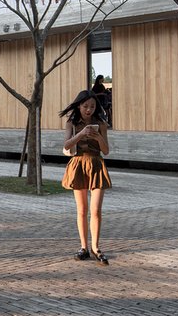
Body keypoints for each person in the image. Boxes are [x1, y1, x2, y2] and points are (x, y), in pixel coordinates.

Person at [59, 89, 112, 265]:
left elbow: (106, 151)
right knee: (82, 210)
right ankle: (84, 247)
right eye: (85, 106)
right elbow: (66, 145)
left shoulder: (101, 123)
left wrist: (97, 137)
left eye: (92, 106)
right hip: (78, 165)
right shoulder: (72, 123)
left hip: (96, 164)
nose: (88, 109)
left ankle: (96, 248)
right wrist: (81, 134)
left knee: (96, 210)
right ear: (79, 106)